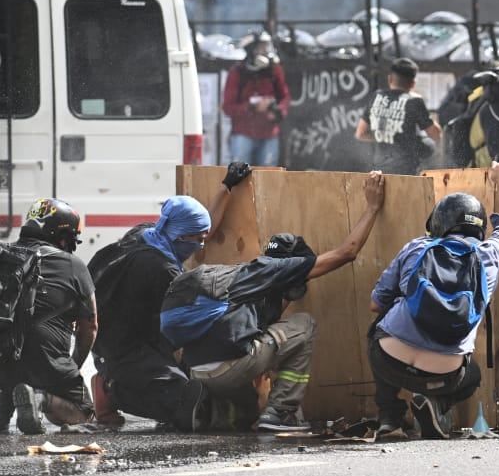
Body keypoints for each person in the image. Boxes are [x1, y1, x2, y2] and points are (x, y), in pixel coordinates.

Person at [160, 171, 388, 433]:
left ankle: (213, 409)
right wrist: (372, 207)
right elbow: (346, 253)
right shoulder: (275, 271)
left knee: (244, 406)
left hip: (195, 372)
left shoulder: (243, 277)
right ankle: (282, 411)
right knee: (304, 325)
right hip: (228, 371)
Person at [86, 163, 250, 431]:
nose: (198, 246)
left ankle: (111, 378)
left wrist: (226, 186)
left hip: (107, 340)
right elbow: (179, 326)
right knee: (186, 405)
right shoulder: (162, 269)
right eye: (194, 241)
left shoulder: (146, 233)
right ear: (180, 236)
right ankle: (111, 389)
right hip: (128, 350)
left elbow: (200, 228)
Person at [367, 161, 499, 440]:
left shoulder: (416, 247)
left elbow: (376, 303)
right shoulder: (488, 255)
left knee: (380, 323)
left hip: (390, 360)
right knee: (472, 376)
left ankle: (390, 419)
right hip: (446, 373)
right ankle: (436, 403)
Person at [0, 198, 98, 435]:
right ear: (61, 234)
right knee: (85, 411)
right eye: (71, 238)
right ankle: (40, 400)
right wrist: (73, 367)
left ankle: (2, 406)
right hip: (44, 364)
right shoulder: (73, 266)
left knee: (19, 374)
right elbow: (90, 326)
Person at [354, 57, 441, 175]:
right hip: (407, 172)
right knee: (429, 144)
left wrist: (387, 136)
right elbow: (436, 134)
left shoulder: (376, 97)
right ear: (413, 83)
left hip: (379, 171)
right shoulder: (414, 101)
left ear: (389, 79)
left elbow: (361, 134)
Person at [221, 29, 289, 167]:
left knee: (269, 180)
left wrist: (276, 110)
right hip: (242, 135)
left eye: (267, 46)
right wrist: (251, 107)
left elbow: (285, 98)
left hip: (269, 135)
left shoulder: (274, 70)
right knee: (238, 179)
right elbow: (228, 107)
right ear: (251, 49)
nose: (266, 51)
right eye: (261, 47)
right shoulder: (237, 72)